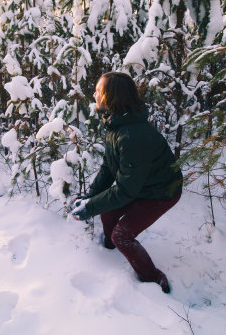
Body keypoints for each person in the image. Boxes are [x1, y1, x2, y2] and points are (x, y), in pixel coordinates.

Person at [70, 71, 183, 293]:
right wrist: (90, 197)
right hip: (141, 185)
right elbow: (108, 167)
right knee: (107, 210)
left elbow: (124, 191)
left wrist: (90, 207)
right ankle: (109, 248)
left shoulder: (132, 136)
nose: (94, 94)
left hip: (162, 192)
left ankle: (153, 279)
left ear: (111, 97)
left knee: (122, 235)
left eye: (98, 91)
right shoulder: (116, 123)